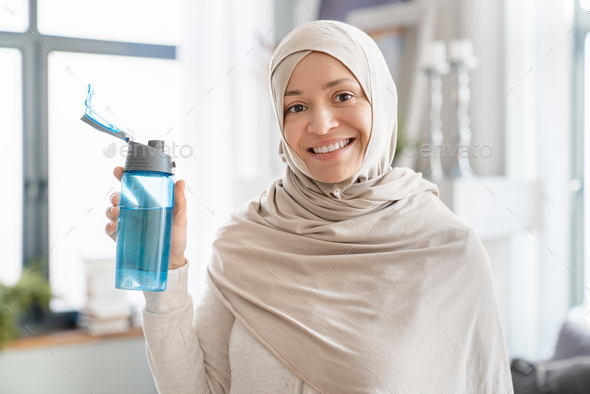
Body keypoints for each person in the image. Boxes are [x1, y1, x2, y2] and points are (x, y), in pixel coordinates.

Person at [105, 20, 513, 394]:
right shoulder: (246, 238)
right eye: (296, 107)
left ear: (380, 102)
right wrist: (168, 268)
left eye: (343, 96)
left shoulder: (448, 251)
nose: (320, 125)